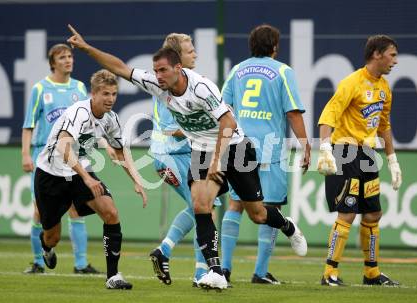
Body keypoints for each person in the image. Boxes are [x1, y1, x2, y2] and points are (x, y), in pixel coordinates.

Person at [67, 24, 308, 290]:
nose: (157, 76)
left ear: (178, 69)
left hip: (235, 147)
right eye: (155, 70)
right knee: (200, 204)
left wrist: (217, 160)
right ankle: (215, 271)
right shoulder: (158, 85)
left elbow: (228, 122)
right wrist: (87, 48)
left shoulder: (202, 88)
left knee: (258, 214)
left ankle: (286, 225)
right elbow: (120, 68)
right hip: (202, 150)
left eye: (162, 70)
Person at [34, 69, 147, 289]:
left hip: (79, 171)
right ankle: (46, 246)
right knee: (53, 236)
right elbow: (62, 146)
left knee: (110, 212)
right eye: (105, 94)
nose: (110, 99)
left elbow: (122, 152)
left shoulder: (111, 119)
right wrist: (86, 178)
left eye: (114, 94)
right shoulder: (79, 113)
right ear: (93, 94)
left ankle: (112, 276)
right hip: (51, 174)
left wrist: (137, 180)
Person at [220, 24, 311, 285]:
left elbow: (223, 107)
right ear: (274, 47)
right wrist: (305, 145)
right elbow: (293, 112)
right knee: (271, 207)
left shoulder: (237, 70)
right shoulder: (283, 71)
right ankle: (260, 272)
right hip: (270, 150)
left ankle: (224, 270)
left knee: (236, 205)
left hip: (239, 147)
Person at [317, 35, 402, 286]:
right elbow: (328, 115)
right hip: (346, 152)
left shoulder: (385, 88)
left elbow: (384, 125)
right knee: (348, 213)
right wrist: (324, 148)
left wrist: (392, 159)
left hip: (368, 155)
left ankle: (372, 273)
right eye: (392, 54)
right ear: (377, 54)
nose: (395, 61)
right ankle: (329, 272)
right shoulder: (351, 83)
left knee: (374, 213)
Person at [148, 33, 221, 287]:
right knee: (204, 208)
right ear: (178, 59)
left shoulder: (182, 84)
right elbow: (171, 128)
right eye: (190, 51)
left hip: (173, 157)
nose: (196, 54)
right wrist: (214, 124)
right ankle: (199, 271)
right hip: (172, 156)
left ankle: (177, 258)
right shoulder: (172, 89)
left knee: (202, 207)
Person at [21, 43, 100, 274]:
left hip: (70, 158)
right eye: (62, 57)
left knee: (77, 207)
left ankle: (81, 264)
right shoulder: (40, 89)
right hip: (44, 158)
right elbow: (29, 125)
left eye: (70, 56)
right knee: (40, 211)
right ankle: (38, 261)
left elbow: (86, 123)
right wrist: (26, 154)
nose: (68, 60)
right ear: (53, 62)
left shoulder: (78, 88)